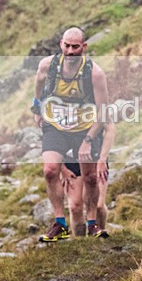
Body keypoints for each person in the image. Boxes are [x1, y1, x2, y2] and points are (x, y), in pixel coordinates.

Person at [33, 27, 109, 241]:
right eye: (67, 45)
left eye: (75, 47)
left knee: (91, 178)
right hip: (56, 125)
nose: (70, 51)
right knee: (50, 170)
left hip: (85, 128)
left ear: (83, 47)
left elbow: (103, 113)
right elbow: (38, 84)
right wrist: (36, 107)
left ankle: (92, 223)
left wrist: (87, 141)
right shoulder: (48, 65)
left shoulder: (94, 73)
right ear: (61, 44)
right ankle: (60, 223)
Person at [61, 120, 114, 238]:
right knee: (75, 208)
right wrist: (62, 169)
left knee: (99, 206)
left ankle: (100, 239)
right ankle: (81, 245)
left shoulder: (95, 104)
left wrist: (102, 159)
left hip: (95, 158)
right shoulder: (61, 106)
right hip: (70, 161)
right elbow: (51, 139)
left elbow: (110, 129)